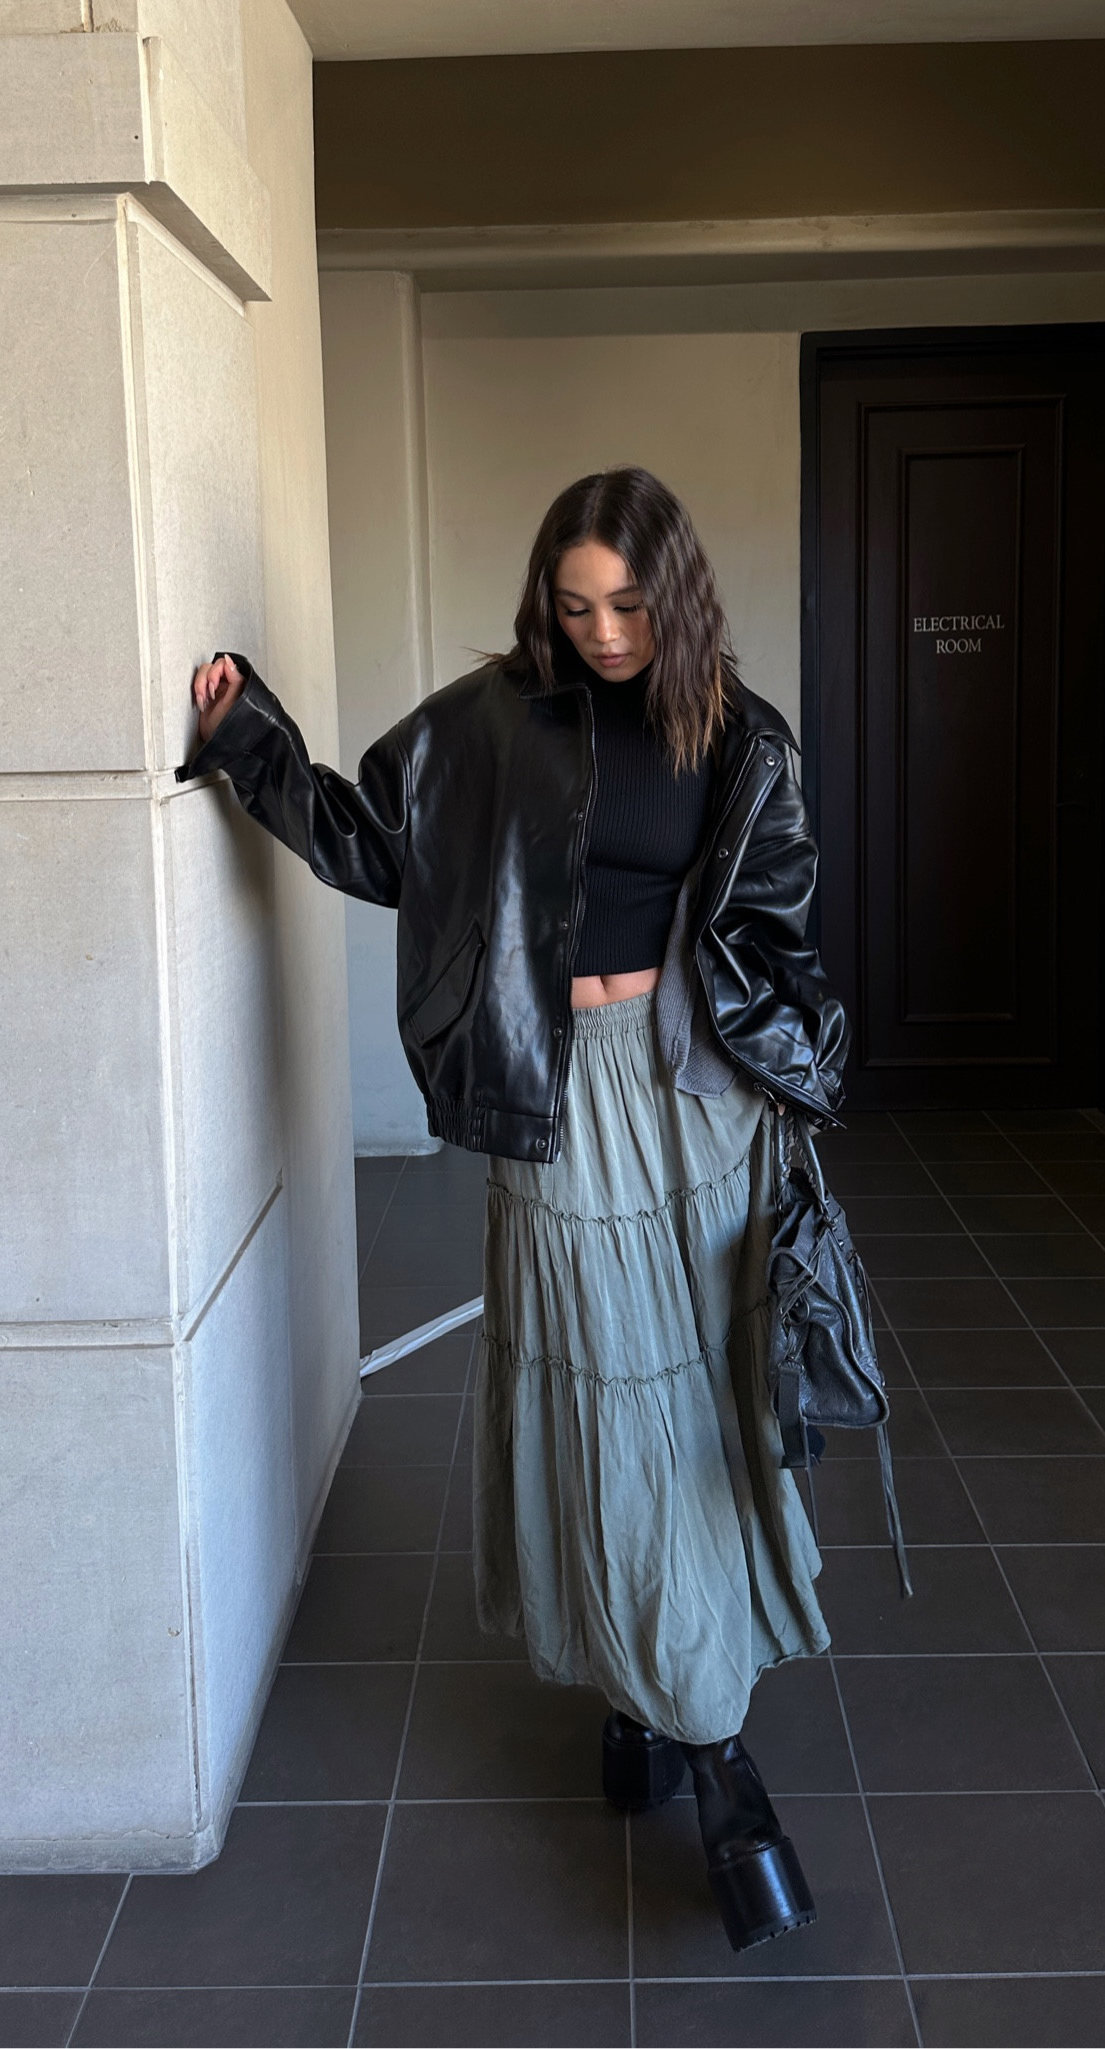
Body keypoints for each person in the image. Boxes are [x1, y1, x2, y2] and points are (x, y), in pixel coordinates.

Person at [181, 466, 847, 1952]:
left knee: (708, 1400)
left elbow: (782, 934)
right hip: (562, 1102)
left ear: (677, 594)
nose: (603, 632)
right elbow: (377, 842)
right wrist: (250, 744)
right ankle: (716, 1754)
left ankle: (642, 1702)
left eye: (629, 604)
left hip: (702, 1102)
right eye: (575, 603)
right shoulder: (495, 719)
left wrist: (793, 1089)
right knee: (617, 1406)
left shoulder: (739, 733)